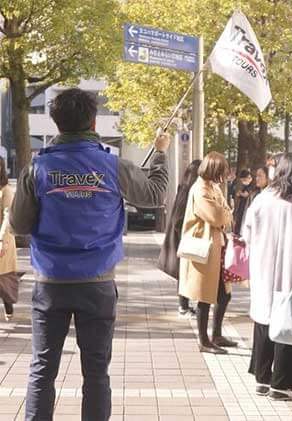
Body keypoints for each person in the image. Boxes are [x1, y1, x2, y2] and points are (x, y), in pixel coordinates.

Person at [10, 88, 170, 421]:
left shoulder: (37, 168)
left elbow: (19, 223)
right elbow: (155, 195)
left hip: (50, 283)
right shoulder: (113, 166)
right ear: (93, 121)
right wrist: (160, 154)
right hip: (97, 284)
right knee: (96, 373)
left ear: (57, 124)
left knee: (42, 369)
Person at [243, 153, 292, 401]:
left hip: (263, 271)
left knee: (264, 322)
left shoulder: (261, 200)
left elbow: (247, 234)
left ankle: (262, 379)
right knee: (290, 326)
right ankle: (283, 384)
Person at [179, 152, 236, 354]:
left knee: (224, 294)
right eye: (222, 170)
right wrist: (226, 212)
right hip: (204, 248)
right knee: (205, 296)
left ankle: (216, 334)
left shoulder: (212, 187)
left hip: (215, 248)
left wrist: (226, 212)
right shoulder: (200, 188)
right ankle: (204, 341)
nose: (224, 174)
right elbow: (218, 216)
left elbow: (227, 212)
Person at [158, 159, 202, 318]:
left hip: (180, 240)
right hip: (181, 240)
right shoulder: (187, 190)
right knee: (184, 274)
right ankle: (183, 307)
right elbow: (178, 219)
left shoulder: (185, 188)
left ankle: (185, 305)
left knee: (185, 273)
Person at [0, 157, 17, 321]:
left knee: (4, 278)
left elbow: (7, 216)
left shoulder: (6, 190)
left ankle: (9, 308)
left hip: (2, 239)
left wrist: (1, 240)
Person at [232, 169, 254, 235]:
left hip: (247, 206)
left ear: (248, 177)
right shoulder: (246, 185)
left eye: (243, 180)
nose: (243, 182)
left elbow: (246, 194)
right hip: (242, 205)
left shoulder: (252, 185)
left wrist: (240, 193)